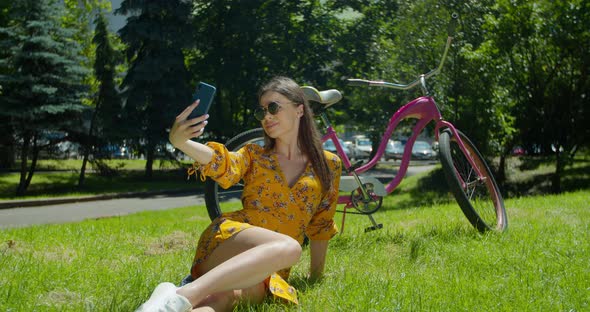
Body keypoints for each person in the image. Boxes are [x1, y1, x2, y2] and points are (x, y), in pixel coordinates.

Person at [136, 76, 342, 311]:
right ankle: (184, 293)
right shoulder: (254, 155)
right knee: (292, 247)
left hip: (271, 266)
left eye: (273, 107)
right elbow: (223, 164)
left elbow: (321, 224)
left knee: (222, 301)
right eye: (261, 111)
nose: (266, 117)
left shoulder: (329, 164)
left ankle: (168, 299)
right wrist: (180, 142)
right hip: (231, 241)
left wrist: (315, 277)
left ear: (299, 109)